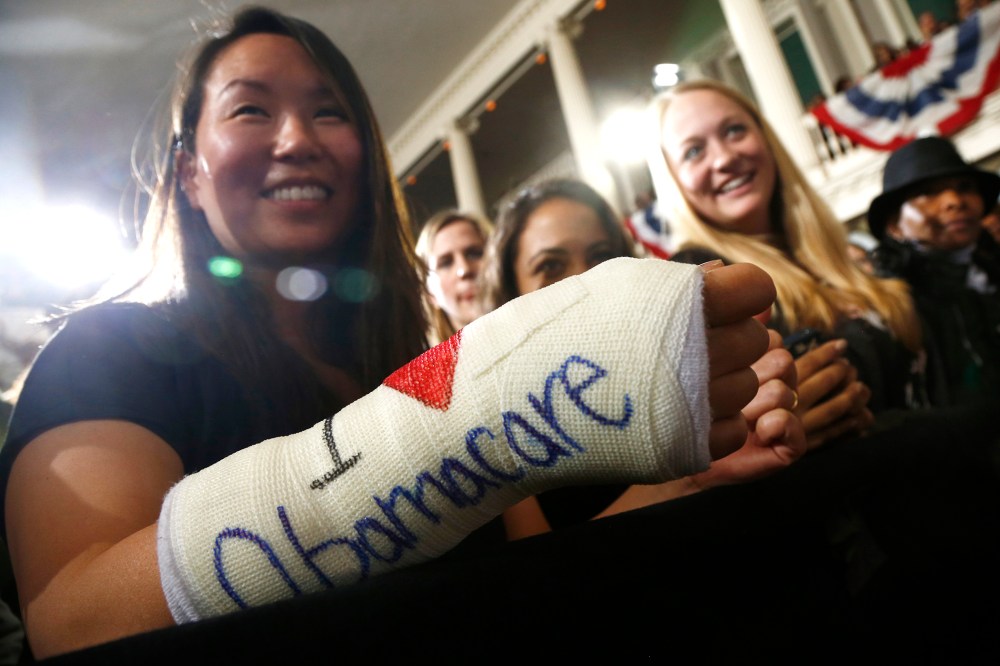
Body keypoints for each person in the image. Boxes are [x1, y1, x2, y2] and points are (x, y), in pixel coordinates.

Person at [0, 7, 777, 659]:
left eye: (330, 110)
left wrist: (692, 479)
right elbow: (78, 624)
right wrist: (474, 418)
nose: (297, 137)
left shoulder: (417, 362)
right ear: (188, 174)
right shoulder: (109, 352)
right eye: (250, 108)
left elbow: (534, 573)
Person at [481, 178, 804, 539]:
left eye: (601, 256)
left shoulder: (692, 372)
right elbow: (535, 581)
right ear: (511, 295)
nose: (585, 279)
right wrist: (693, 478)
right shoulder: (497, 432)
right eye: (551, 266)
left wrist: (772, 421)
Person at [646, 79, 928, 447]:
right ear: (674, 180)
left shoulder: (832, 254)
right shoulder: (699, 279)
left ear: (766, 139)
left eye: (734, 130)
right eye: (693, 151)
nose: (724, 158)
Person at [867, 135, 1000, 406]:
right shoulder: (892, 307)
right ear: (895, 226)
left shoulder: (990, 272)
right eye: (927, 193)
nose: (954, 200)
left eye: (964, 186)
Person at [414, 209, 493, 345]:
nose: (464, 270)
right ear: (429, 293)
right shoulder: (428, 365)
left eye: (475, 253)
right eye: (446, 263)